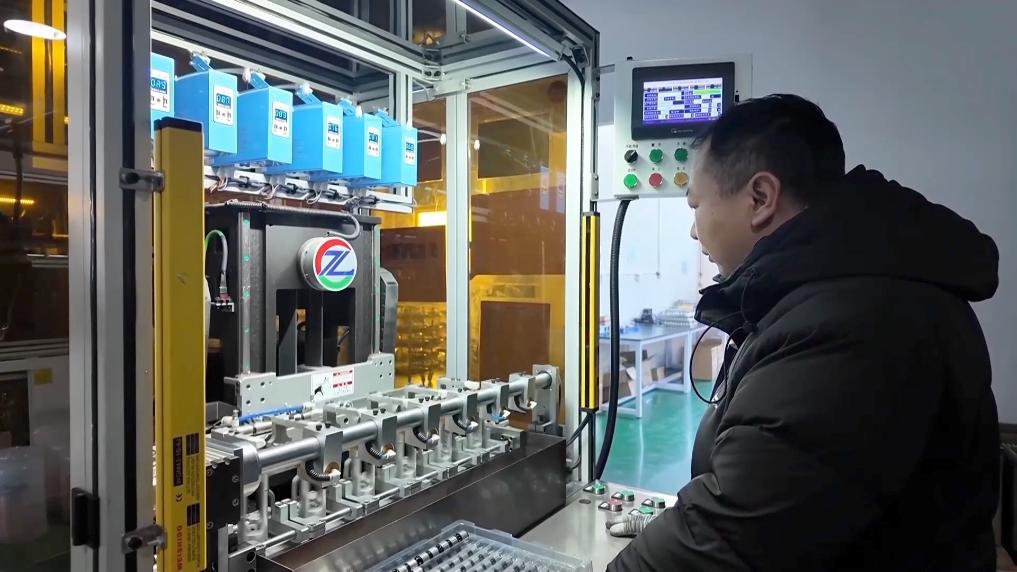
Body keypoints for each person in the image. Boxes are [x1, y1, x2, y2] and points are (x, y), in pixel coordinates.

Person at [607, 94, 1000, 571]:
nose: (694, 231)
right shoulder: (836, 292)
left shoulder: (853, 323)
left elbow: (732, 536)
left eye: (696, 206)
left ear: (760, 198)